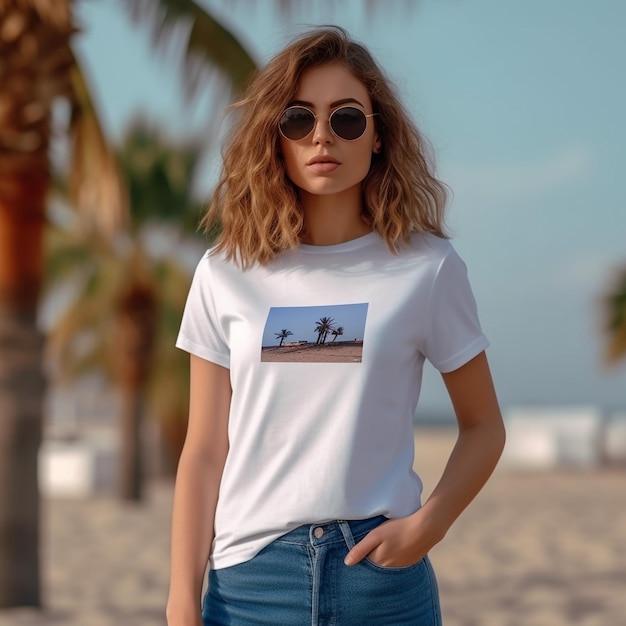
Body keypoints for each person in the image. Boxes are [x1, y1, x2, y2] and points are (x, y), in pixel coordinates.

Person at [167, 26, 505, 626]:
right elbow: (203, 452)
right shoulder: (226, 272)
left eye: (346, 118)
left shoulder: (426, 268)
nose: (322, 135)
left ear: (378, 136)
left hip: (381, 581)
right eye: (298, 119)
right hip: (249, 581)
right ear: (276, 137)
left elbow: (483, 427)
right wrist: (179, 602)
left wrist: (428, 527)